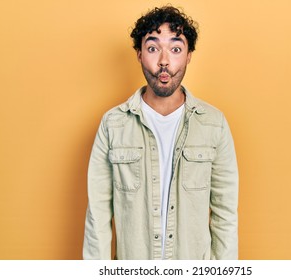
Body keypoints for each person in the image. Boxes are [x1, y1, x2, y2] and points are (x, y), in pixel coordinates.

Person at [83, 5, 239, 260]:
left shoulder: (214, 124)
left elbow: (225, 215)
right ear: (139, 54)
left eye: (176, 49)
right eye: (153, 48)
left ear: (189, 55)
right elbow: (97, 217)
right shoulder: (113, 124)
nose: (164, 61)